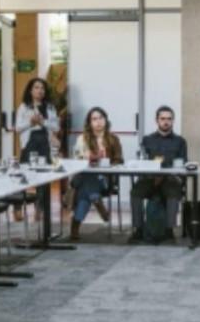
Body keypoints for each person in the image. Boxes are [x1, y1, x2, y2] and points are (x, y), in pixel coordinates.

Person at [129, 106, 187, 243]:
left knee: (173, 193)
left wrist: (165, 174)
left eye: (169, 119)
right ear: (157, 120)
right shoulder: (147, 139)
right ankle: (138, 230)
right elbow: (142, 161)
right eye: (163, 119)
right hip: (149, 178)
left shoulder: (180, 141)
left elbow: (183, 162)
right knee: (135, 192)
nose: (166, 122)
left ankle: (169, 231)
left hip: (170, 178)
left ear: (173, 121)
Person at [70, 107, 122, 241]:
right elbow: (75, 159)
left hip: (104, 178)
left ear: (106, 120)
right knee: (88, 182)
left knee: (87, 187)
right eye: (94, 119)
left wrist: (106, 163)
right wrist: (88, 159)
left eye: (101, 118)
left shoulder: (113, 139)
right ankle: (96, 200)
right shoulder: (82, 138)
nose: (98, 121)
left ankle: (75, 225)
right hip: (83, 176)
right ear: (89, 122)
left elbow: (119, 160)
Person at [15, 78, 61, 220]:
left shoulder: (50, 107)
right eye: (36, 87)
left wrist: (43, 122)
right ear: (31, 90)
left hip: (45, 144)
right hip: (29, 143)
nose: (40, 90)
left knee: (43, 178)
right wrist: (31, 122)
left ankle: (39, 209)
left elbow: (56, 128)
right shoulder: (24, 107)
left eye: (42, 88)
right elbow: (17, 128)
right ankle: (18, 208)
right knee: (24, 176)